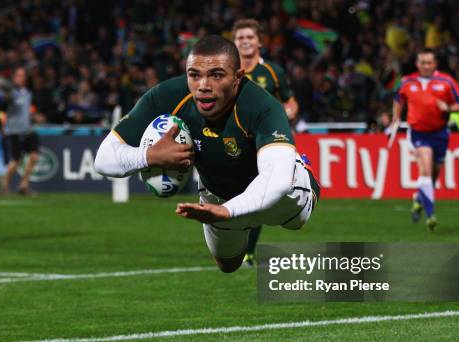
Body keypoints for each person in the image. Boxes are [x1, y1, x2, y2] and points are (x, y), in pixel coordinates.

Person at [94, 35, 319, 273]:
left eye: (217, 74)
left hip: (282, 192)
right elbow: (103, 159)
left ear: (237, 78)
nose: (203, 85)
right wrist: (149, 156)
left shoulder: (261, 105)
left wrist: (228, 211)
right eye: (195, 75)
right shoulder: (166, 96)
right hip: (218, 196)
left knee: (297, 220)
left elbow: (277, 180)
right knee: (228, 265)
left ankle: (302, 169)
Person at [232, 18, 300, 266]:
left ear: (259, 41)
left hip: (265, 143)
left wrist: (288, 111)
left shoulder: (272, 72)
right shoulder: (226, 72)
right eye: (241, 38)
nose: (246, 41)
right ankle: (234, 245)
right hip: (233, 141)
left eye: (250, 37)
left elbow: (291, 101)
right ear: (234, 43)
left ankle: (248, 249)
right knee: (233, 194)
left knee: (259, 193)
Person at [391, 48, 459, 231]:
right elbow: (398, 98)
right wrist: (396, 118)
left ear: (435, 64)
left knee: (433, 175)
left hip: (439, 134)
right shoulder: (408, 82)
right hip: (418, 133)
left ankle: (418, 198)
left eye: (429, 62)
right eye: (422, 63)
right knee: (424, 168)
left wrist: (447, 107)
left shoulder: (446, 81)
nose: (425, 66)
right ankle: (431, 216)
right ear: (417, 64)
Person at [0, 67, 39, 195]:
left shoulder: (27, 93)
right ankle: (5, 185)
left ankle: (24, 185)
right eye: (18, 75)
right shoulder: (10, 93)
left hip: (27, 129)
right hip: (14, 131)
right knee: (16, 161)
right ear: (14, 77)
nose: (20, 78)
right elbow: (2, 105)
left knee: (34, 156)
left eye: (22, 75)